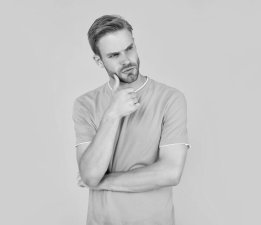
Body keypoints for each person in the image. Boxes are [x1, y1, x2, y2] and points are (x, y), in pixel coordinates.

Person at [72, 14, 190, 225]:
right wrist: (112, 114)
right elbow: (90, 175)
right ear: (99, 60)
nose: (126, 60)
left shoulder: (170, 99)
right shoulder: (85, 104)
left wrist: (102, 182)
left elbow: (170, 172)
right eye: (114, 55)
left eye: (129, 48)